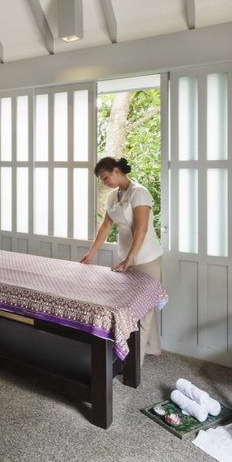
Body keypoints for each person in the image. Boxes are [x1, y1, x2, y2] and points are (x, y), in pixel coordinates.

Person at [80, 156, 163, 364]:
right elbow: (106, 226)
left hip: (146, 257)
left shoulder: (139, 192)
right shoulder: (113, 196)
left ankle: (135, 363)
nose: (104, 182)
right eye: (102, 179)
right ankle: (153, 347)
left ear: (116, 171)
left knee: (143, 308)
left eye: (105, 177)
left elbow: (142, 228)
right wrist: (91, 254)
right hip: (127, 255)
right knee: (139, 303)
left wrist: (130, 258)